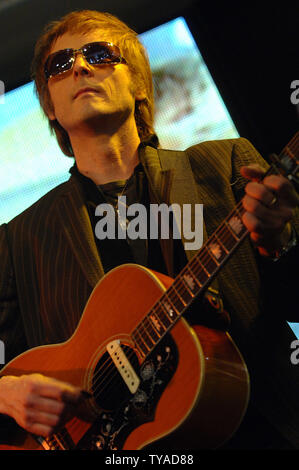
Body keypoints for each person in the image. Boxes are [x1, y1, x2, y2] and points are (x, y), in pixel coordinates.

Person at [0, 9, 299, 450]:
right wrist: (5, 394)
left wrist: (280, 241)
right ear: (49, 104)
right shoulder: (18, 239)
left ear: (138, 83)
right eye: (59, 65)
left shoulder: (225, 165)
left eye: (100, 54)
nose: (79, 66)